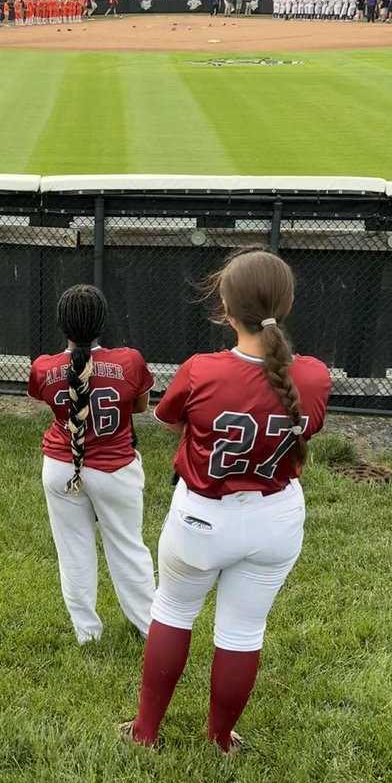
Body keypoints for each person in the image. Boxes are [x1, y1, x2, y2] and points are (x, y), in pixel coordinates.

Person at [121, 248, 331, 752]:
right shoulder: (314, 375)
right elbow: (306, 428)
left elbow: (170, 421)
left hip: (203, 516)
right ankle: (219, 737)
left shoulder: (201, 370)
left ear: (224, 305)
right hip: (276, 516)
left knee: (172, 610)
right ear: (288, 302)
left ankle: (146, 730)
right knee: (242, 631)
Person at [27, 285, 155, 644]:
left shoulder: (44, 367)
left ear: (61, 324)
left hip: (61, 466)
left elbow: (51, 401)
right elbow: (140, 407)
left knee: (73, 551)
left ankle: (87, 634)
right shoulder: (130, 360)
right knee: (128, 547)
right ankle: (149, 627)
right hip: (116, 468)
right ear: (102, 321)